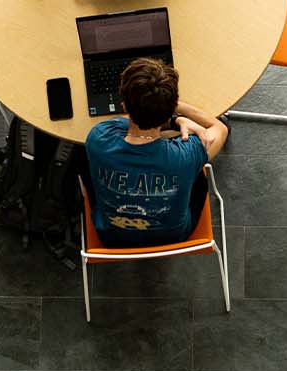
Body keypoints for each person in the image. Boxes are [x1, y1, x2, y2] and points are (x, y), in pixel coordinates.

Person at [84, 57, 228, 247]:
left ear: (125, 105)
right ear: (169, 110)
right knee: (197, 178)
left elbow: (123, 122)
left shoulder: (98, 138)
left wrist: (169, 115)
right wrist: (176, 116)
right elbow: (220, 128)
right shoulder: (185, 155)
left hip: (111, 238)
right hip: (174, 237)